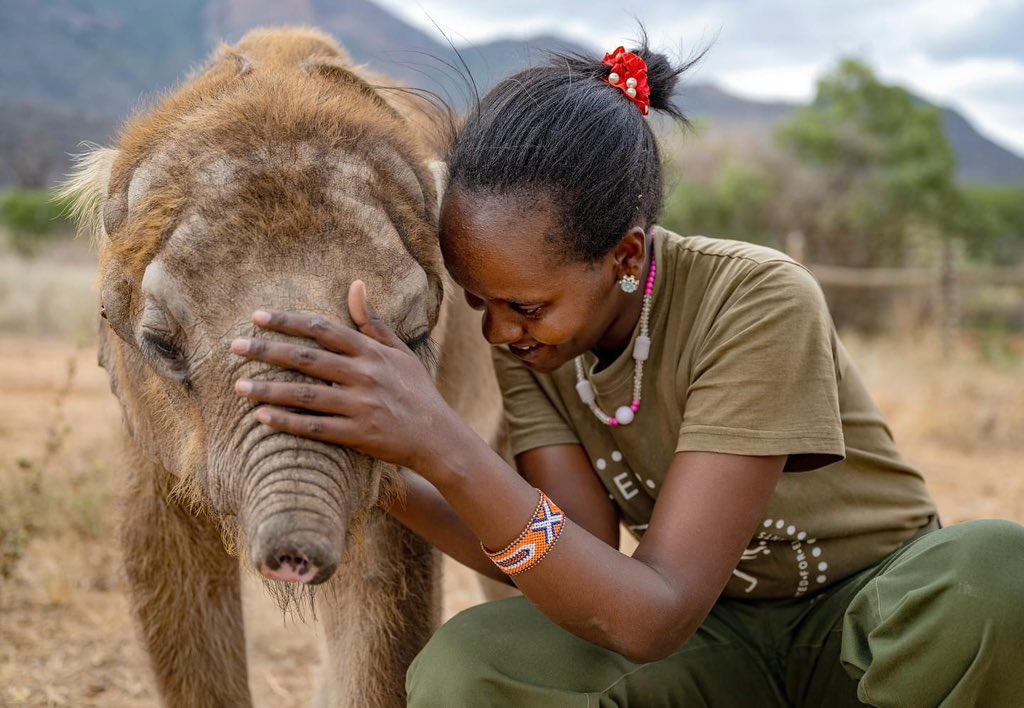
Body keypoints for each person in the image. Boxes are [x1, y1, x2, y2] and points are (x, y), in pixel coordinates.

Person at [229, 39, 1024, 707]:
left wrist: (442, 445)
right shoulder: (538, 344)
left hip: (869, 626)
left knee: (994, 576)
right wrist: (382, 469)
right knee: (471, 667)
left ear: (627, 258)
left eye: (525, 306)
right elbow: (571, 548)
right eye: (477, 301)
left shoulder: (754, 299)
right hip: (722, 641)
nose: (500, 331)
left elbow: (652, 615)